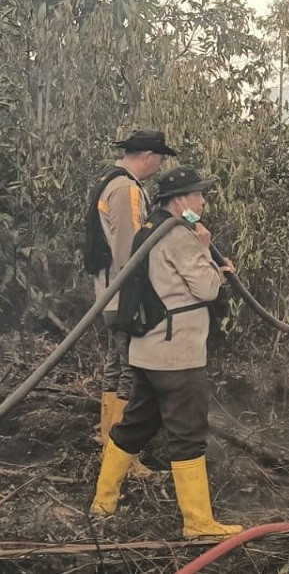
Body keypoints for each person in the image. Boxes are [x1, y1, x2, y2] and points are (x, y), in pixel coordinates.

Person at [90, 166, 242, 538]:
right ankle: (198, 523)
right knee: (188, 433)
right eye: (198, 194)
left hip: (147, 352)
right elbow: (207, 289)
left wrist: (211, 263)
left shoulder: (149, 229)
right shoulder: (180, 234)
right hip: (177, 357)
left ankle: (103, 503)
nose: (202, 201)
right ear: (180, 199)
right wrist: (206, 252)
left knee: (135, 425)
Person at [84, 129, 177, 477]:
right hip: (123, 294)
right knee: (130, 371)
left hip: (109, 293)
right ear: (148, 156)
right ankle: (122, 455)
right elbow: (131, 252)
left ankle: (108, 439)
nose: (160, 166)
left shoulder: (112, 181)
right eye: (160, 158)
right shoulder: (126, 189)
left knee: (116, 365)